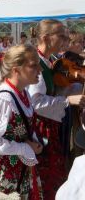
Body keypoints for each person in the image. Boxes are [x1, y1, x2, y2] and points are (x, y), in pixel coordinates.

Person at [0, 44, 44, 199]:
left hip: (18, 174)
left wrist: (29, 142)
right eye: (34, 65)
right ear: (16, 69)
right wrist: (23, 147)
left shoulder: (23, 92)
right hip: (2, 179)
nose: (40, 70)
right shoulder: (3, 100)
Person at [27, 19, 85, 200]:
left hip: (49, 125)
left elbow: (55, 90)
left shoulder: (49, 61)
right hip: (40, 129)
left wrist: (75, 88)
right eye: (61, 36)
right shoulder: (35, 62)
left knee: (53, 177)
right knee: (45, 179)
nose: (65, 40)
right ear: (45, 37)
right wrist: (68, 100)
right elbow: (36, 103)